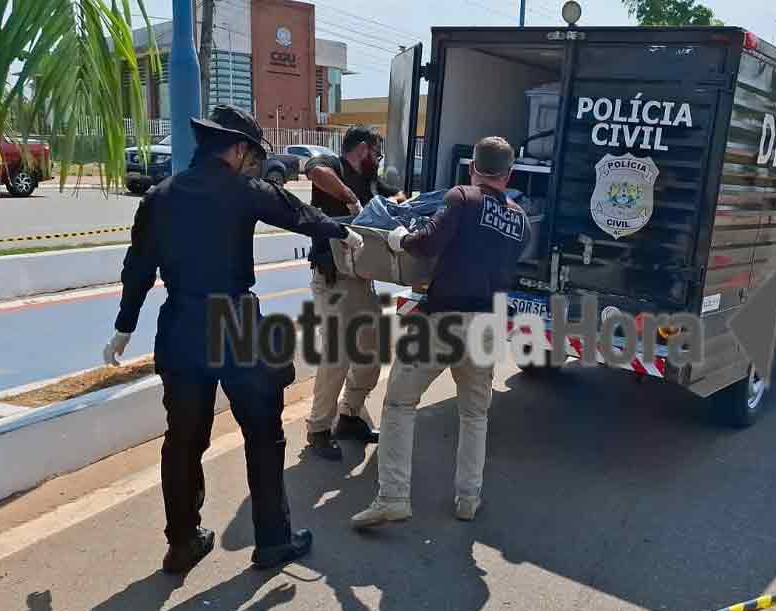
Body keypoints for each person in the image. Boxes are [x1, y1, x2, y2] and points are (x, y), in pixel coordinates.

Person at [101, 104, 364, 574]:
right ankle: (273, 541)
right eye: (253, 155)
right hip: (234, 321)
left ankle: (181, 542)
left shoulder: (160, 196)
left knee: (183, 440)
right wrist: (341, 229)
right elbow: (297, 213)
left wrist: (125, 326)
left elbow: (137, 267)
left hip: (180, 324)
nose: (255, 163)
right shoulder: (243, 190)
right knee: (263, 434)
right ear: (238, 149)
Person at [351, 136, 529, 528]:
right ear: (509, 174)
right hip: (487, 326)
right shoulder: (520, 218)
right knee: (474, 415)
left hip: (443, 319)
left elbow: (428, 244)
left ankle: (393, 497)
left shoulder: (462, 198)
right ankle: (469, 498)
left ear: (472, 167)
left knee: (399, 404)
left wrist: (399, 240)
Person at [300, 125, 404, 460]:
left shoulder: (372, 180)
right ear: (362, 149)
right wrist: (351, 200)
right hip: (332, 280)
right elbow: (313, 171)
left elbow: (398, 195)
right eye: (376, 153)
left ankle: (350, 415)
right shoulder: (335, 167)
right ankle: (318, 428)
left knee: (371, 350)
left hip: (361, 280)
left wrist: (392, 205)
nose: (378, 160)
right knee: (338, 354)